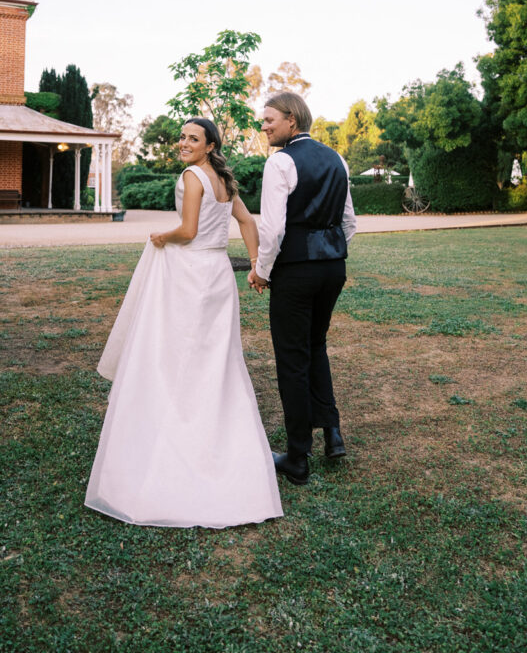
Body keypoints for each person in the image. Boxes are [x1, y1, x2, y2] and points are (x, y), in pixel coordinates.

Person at [85, 117, 282, 528]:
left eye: (193, 139)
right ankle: (219, 443)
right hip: (218, 275)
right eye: (182, 137)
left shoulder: (193, 176)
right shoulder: (224, 181)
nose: (184, 144)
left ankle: (177, 438)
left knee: (178, 358)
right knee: (216, 363)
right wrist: (256, 268)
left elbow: (188, 231)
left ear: (210, 145)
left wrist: (161, 236)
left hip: (190, 274)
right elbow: (247, 223)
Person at [247, 92, 357, 486]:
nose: (264, 126)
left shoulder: (280, 162)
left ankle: (297, 456)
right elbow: (349, 223)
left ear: (292, 120)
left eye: (269, 120)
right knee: (315, 346)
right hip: (333, 268)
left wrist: (261, 271)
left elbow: (273, 229)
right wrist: (330, 256)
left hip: (295, 272)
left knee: (292, 359)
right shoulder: (337, 159)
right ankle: (332, 434)